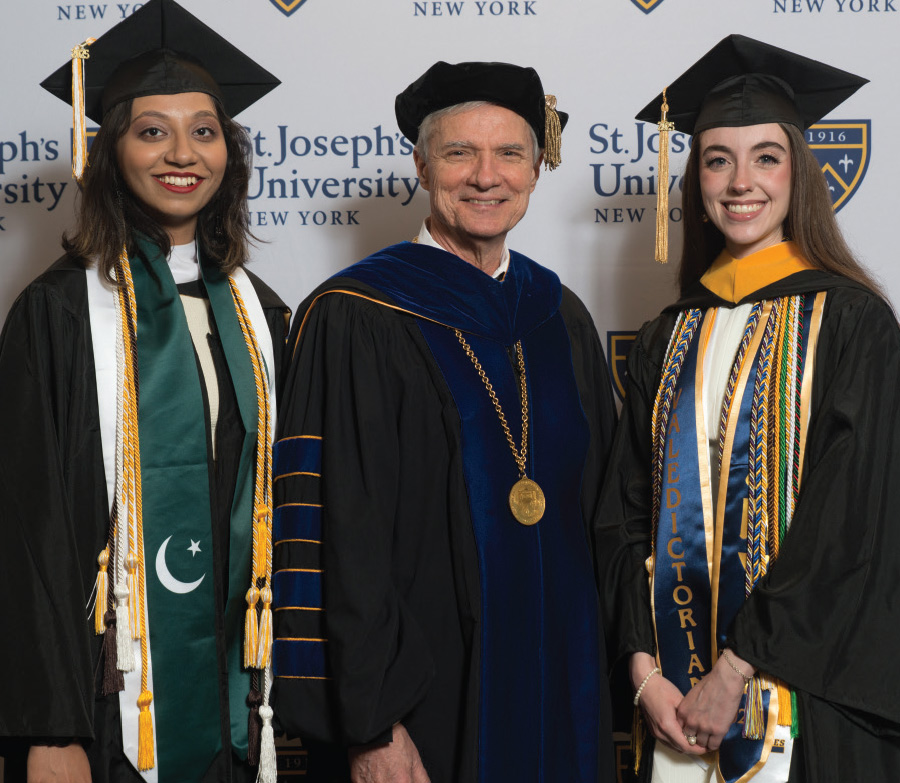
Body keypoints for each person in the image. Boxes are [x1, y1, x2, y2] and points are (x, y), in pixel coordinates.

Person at [272, 61, 617, 783]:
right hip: (420, 709)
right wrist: (373, 725)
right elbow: (337, 534)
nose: (486, 176)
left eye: (510, 153)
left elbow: (602, 519)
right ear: (423, 167)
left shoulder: (560, 317)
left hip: (562, 688)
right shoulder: (356, 316)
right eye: (461, 152)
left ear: (536, 169)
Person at [595, 34, 900, 783]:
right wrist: (644, 669)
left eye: (766, 157)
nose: (741, 182)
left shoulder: (852, 323)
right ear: (694, 179)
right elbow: (623, 512)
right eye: (717, 159)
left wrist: (735, 669)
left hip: (806, 703)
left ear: (800, 174)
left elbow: (848, 524)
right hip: (674, 706)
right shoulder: (668, 336)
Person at [0, 1, 289, 781]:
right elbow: (27, 532)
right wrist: (48, 728)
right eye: (152, 131)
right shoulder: (59, 314)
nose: (182, 153)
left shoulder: (260, 315)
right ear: (112, 153)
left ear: (228, 152)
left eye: (204, 131)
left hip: (238, 694)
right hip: (108, 701)